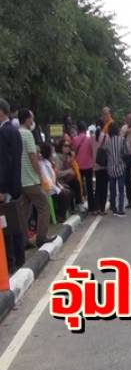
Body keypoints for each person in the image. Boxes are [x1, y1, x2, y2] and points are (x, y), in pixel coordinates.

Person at [16, 109, 53, 247]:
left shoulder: (16, 133)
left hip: (21, 179)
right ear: (27, 119)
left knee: (24, 212)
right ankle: (41, 237)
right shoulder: (27, 134)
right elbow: (33, 158)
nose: (33, 121)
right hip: (31, 179)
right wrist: (40, 175)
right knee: (44, 206)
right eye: (32, 118)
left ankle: (24, 241)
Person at [0, 98, 26, 272]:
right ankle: (19, 257)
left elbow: (4, 163)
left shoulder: (3, 132)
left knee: (6, 225)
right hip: (16, 184)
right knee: (15, 222)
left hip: (6, 187)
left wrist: (2, 189)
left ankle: (11, 261)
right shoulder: (15, 131)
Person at [38, 143, 73, 223]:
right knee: (65, 194)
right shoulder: (42, 165)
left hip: (53, 186)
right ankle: (60, 215)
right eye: (52, 152)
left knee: (69, 191)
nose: (54, 154)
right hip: (48, 188)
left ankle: (62, 213)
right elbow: (48, 181)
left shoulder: (49, 163)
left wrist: (60, 187)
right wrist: (59, 189)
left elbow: (54, 178)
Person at [104, 122, 127, 217]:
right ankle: (121, 209)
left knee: (112, 190)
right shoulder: (122, 140)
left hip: (110, 168)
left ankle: (114, 208)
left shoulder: (107, 141)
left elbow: (106, 153)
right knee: (121, 190)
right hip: (121, 167)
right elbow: (125, 152)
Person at [72, 121, 95, 213]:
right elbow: (92, 152)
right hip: (88, 166)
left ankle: (80, 204)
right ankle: (91, 207)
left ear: (78, 129)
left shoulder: (74, 139)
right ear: (85, 129)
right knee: (89, 187)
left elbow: (74, 151)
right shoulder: (89, 139)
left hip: (78, 167)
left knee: (79, 186)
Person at [54, 138, 82, 208]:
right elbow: (57, 174)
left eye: (69, 146)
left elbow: (74, 169)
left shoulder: (68, 157)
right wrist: (68, 171)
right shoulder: (57, 157)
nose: (68, 148)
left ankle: (77, 204)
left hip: (68, 180)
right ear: (61, 147)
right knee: (74, 184)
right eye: (65, 146)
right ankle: (76, 205)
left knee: (76, 182)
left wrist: (72, 159)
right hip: (60, 181)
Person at [92, 120, 109, 214]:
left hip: (95, 165)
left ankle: (96, 208)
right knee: (104, 187)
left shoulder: (92, 137)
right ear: (103, 126)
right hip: (104, 165)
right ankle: (102, 208)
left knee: (98, 187)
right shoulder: (106, 136)